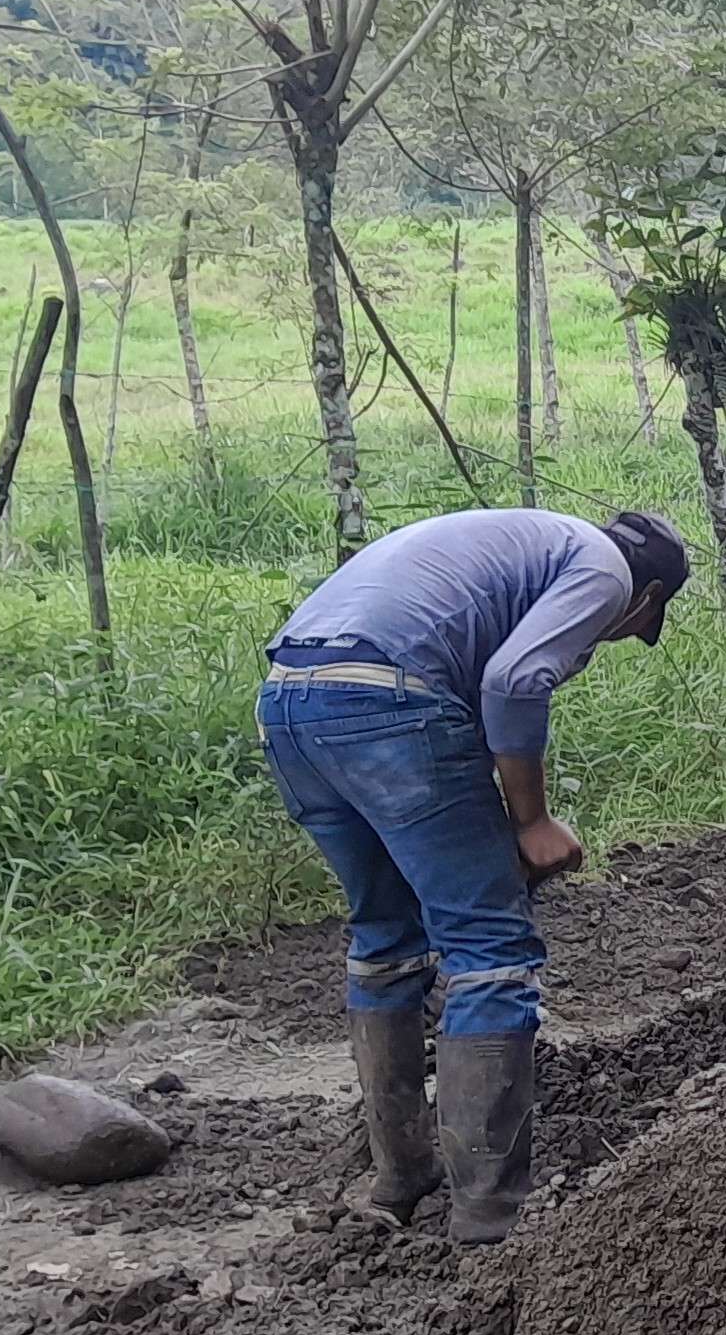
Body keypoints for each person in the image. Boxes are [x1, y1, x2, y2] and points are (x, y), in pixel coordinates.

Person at [260, 506, 688, 1244]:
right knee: (492, 952)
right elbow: (515, 680)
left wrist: (490, 831)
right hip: (387, 702)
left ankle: (402, 1175)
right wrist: (531, 822)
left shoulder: (522, 540)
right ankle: (492, 1218)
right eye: (629, 629)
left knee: (387, 937)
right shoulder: (607, 571)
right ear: (646, 598)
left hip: (291, 703)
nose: (609, 637)